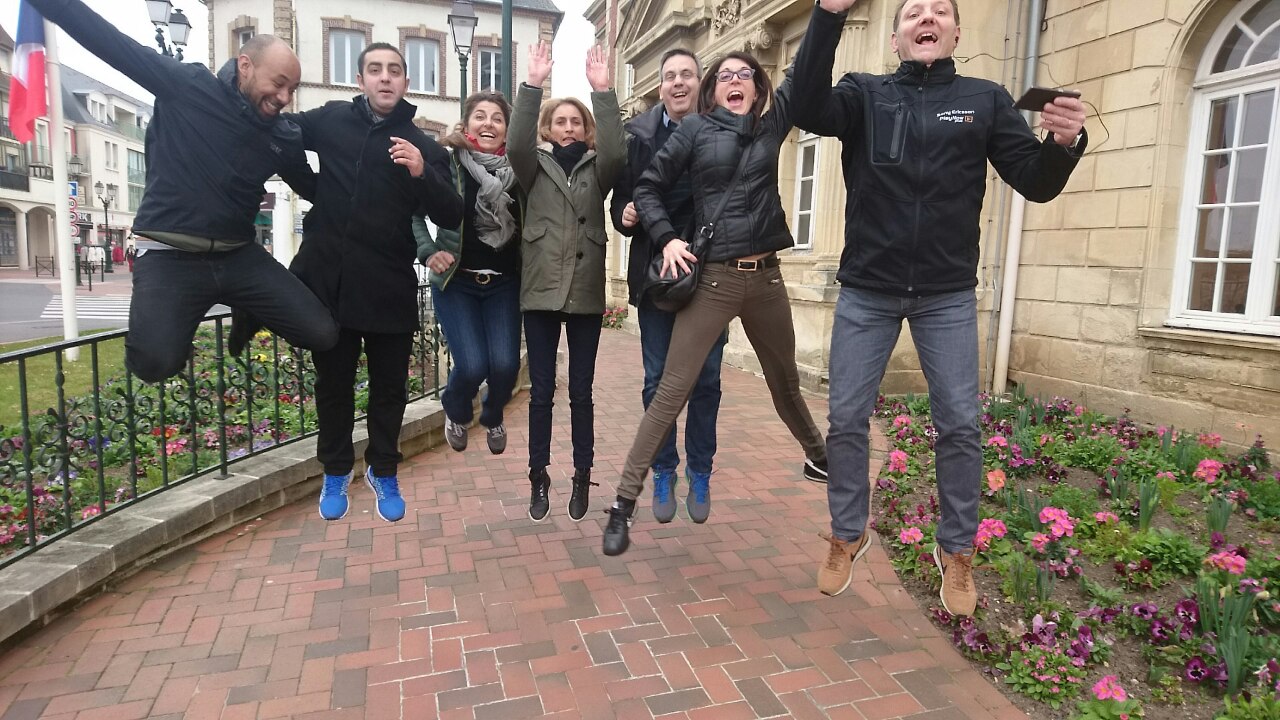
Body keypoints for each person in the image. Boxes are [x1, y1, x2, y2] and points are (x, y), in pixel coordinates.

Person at [792, 0, 1087, 614]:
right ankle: (847, 533)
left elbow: (1035, 181)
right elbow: (804, 106)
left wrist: (1064, 143)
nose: (926, 19)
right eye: (912, 13)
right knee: (845, 419)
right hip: (868, 289)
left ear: (955, 32)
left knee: (959, 424)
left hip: (946, 292)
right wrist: (826, 16)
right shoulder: (864, 94)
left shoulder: (985, 99)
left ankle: (956, 550)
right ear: (896, 37)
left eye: (939, 11)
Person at [25, 0, 338, 382]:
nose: (285, 97)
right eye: (278, 83)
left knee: (321, 334)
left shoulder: (281, 136)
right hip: (169, 255)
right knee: (154, 365)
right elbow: (110, 42)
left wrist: (381, 191)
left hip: (238, 257)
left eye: (292, 89)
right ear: (245, 66)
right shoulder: (187, 86)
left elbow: (320, 191)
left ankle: (248, 307)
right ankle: (174, 326)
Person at [601, 52, 829, 556]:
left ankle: (819, 456)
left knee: (785, 384)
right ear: (713, 91)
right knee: (669, 389)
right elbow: (647, 188)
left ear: (758, 88)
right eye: (724, 76)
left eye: (744, 74)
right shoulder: (695, 130)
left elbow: (806, 72)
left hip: (767, 281)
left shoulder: (770, 128)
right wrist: (666, 239)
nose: (734, 80)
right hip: (716, 280)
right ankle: (623, 502)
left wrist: (828, 17)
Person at [285, 43, 463, 523]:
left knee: (390, 389)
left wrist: (422, 173)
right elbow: (281, 131)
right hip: (333, 285)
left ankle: (382, 470)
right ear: (360, 79)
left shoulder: (423, 145)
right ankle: (336, 469)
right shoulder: (331, 119)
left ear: (406, 82)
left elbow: (451, 212)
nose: (385, 78)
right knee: (333, 386)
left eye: (395, 71)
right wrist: (310, 185)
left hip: (389, 286)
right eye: (375, 70)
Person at [610, 49, 733, 526]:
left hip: (711, 279)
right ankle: (664, 469)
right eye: (670, 76)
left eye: (687, 75)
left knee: (706, 380)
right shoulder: (638, 137)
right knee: (657, 380)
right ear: (660, 86)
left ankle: (700, 470)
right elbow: (622, 202)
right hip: (656, 279)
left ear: (701, 83)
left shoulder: (723, 131)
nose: (678, 83)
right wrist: (625, 214)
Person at [508, 42, 625, 523]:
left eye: (577, 121)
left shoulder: (599, 168)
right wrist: (533, 84)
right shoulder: (532, 167)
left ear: (587, 128)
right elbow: (515, 146)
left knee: (581, 392)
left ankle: (581, 474)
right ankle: (538, 476)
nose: (569, 127)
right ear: (548, 129)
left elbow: (617, 152)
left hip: (584, 291)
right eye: (561, 121)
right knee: (541, 393)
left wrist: (603, 91)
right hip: (540, 290)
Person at [414, 91, 523, 457]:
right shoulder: (447, 165)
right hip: (457, 282)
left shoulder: (519, 171)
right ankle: (457, 411)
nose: (488, 123)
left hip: (504, 284)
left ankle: (492, 416)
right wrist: (429, 251)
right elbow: (414, 213)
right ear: (466, 124)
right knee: (473, 365)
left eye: (497, 118)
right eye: (480, 116)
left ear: (507, 129)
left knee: (506, 366)